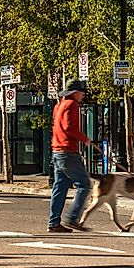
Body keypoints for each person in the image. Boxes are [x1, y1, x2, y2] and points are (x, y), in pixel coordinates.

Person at [48, 81, 93, 233]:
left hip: (57, 150)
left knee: (59, 187)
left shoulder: (58, 105)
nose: (83, 94)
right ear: (74, 93)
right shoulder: (72, 105)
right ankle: (73, 218)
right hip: (67, 151)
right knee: (84, 184)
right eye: (81, 92)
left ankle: (54, 222)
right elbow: (69, 128)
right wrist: (84, 138)